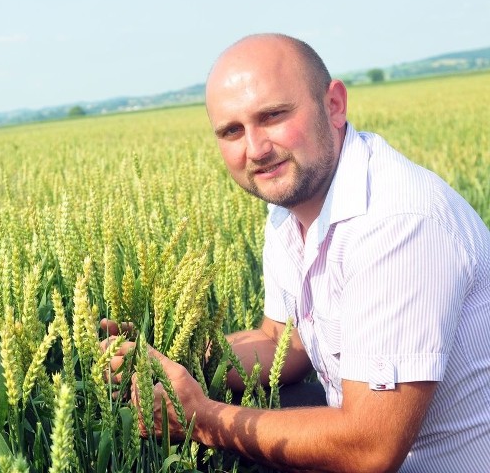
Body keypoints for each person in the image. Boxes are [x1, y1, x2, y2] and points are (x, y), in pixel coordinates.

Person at [103, 33, 490, 472]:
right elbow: (285, 344)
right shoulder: (291, 210)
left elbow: (371, 450)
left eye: (273, 116)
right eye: (232, 131)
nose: (256, 149)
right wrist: (173, 354)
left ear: (334, 105)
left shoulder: (398, 224)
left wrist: (201, 418)